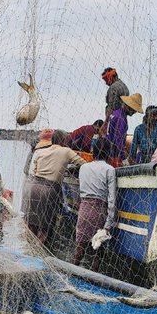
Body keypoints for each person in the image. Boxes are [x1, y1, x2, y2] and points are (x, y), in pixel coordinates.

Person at [24, 129, 85, 246]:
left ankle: (29, 251)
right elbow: (82, 163)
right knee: (46, 227)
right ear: (63, 140)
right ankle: (40, 254)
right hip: (49, 190)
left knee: (32, 224)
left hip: (34, 188)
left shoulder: (42, 151)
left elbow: (35, 170)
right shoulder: (66, 151)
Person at [73, 139, 117, 272]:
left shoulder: (84, 167)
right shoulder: (110, 169)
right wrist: (109, 223)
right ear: (109, 153)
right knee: (99, 249)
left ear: (93, 152)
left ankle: (72, 272)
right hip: (100, 210)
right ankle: (93, 277)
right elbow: (112, 198)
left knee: (79, 246)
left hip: (84, 209)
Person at [106, 93, 144, 167]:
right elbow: (118, 140)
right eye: (134, 109)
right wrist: (123, 158)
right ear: (128, 106)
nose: (134, 112)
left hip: (107, 150)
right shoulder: (121, 119)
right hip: (114, 154)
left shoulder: (116, 113)